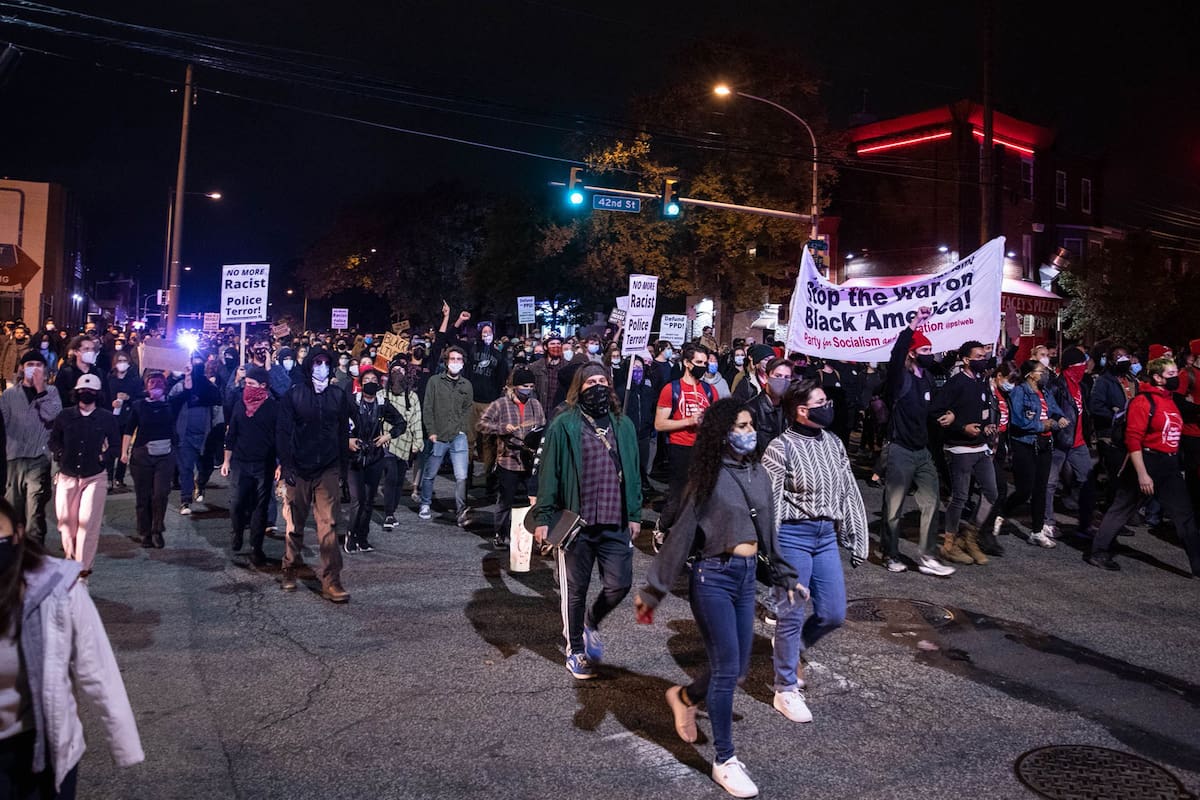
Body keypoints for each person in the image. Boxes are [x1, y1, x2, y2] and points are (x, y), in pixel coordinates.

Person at [635, 399, 802, 799]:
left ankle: (686, 696)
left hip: (746, 580)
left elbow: (769, 534)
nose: (748, 432)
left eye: (750, 424)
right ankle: (724, 760)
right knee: (728, 669)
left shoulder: (759, 474)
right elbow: (681, 536)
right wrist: (654, 589)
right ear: (721, 433)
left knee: (739, 670)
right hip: (713, 578)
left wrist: (785, 576)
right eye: (739, 425)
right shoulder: (707, 475)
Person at [0, 498, 144, 798]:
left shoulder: (56, 590)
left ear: (18, 534)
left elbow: (97, 667)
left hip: (43, 748)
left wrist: (124, 743)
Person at [760, 380, 867, 728]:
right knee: (791, 613)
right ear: (802, 410)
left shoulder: (834, 443)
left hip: (825, 536)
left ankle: (794, 649)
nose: (828, 406)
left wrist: (856, 534)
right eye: (821, 401)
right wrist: (773, 556)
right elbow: (770, 503)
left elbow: (847, 488)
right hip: (793, 535)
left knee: (834, 612)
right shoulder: (780, 448)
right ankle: (785, 687)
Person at [532, 363, 642, 680]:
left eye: (602, 380)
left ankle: (591, 620)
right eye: (590, 381)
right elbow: (549, 473)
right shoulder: (564, 423)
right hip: (576, 524)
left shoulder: (624, 425)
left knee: (620, 584)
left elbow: (633, 473)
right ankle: (575, 650)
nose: (597, 386)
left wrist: (634, 513)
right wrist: (543, 516)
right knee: (575, 591)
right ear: (578, 388)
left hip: (615, 520)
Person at [1087, 357, 1200, 575]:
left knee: (1185, 515)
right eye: (1171, 374)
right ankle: (1098, 551)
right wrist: (1142, 474)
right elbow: (1133, 439)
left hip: (1168, 464)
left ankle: (1197, 564)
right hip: (1146, 460)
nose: (1176, 378)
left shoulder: (1170, 400)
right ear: (1157, 377)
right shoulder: (1143, 401)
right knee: (1122, 508)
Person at [878, 307, 956, 576]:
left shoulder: (927, 379)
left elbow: (932, 408)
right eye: (924, 351)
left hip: (922, 452)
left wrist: (948, 415)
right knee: (894, 508)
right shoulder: (900, 379)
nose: (930, 356)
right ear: (912, 353)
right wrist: (913, 325)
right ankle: (890, 553)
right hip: (900, 450)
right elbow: (896, 353)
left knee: (931, 501)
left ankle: (927, 556)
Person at [277, 348, 351, 602]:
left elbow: (342, 433)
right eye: (317, 362)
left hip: (327, 468)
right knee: (295, 525)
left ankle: (332, 581)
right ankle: (289, 568)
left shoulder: (338, 396)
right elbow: (284, 433)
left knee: (329, 525)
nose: (321, 366)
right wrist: (286, 467)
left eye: (325, 363)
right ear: (309, 366)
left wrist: (342, 468)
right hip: (299, 469)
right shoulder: (294, 395)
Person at [929, 340, 1000, 566]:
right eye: (978, 356)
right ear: (966, 360)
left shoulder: (981, 382)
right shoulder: (956, 382)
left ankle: (969, 536)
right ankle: (949, 544)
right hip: (960, 448)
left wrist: (986, 425)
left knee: (991, 492)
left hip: (981, 447)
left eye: (984, 355)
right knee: (960, 496)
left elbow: (980, 410)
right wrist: (961, 426)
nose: (983, 359)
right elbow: (937, 411)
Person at [49, 374, 121, 578]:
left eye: (90, 391)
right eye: (82, 390)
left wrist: (103, 457)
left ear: (97, 395)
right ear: (76, 392)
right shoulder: (65, 416)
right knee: (66, 525)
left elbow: (115, 446)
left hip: (94, 476)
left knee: (88, 524)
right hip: (67, 475)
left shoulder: (106, 418)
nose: (86, 394)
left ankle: (83, 571)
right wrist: (60, 454)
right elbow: (54, 440)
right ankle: (71, 562)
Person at [996, 360, 1068, 547]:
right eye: (1041, 371)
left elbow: (1054, 409)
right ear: (1030, 374)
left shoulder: (1045, 392)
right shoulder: (1019, 392)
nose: (1045, 374)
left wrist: (1059, 418)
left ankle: (1036, 531)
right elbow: (1018, 420)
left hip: (1045, 443)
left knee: (1041, 489)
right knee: (1025, 489)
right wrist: (1041, 425)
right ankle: (1001, 512)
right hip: (1025, 445)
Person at [477, 368, 545, 550]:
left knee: (534, 500)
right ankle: (500, 533)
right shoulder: (501, 404)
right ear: (515, 387)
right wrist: (501, 427)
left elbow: (542, 427)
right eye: (524, 386)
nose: (528, 390)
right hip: (509, 459)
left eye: (531, 386)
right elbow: (481, 423)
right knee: (506, 500)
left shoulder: (535, 405)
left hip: (530, 460)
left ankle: (535, 535)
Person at [654, 344, 717, 537]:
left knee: (704, 495)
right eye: (698, 362)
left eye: (705, 363)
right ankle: (662, 528)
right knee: (679, 495)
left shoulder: (709, 390)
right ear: (687, 363)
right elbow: (659, 424)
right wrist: (688, 421)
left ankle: (692, 536)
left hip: (703, 448)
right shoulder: (671, 389)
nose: (703, 366)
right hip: (680, 447)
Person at [1, 350, 62, 544]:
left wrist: (40, 390)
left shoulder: (51, 392)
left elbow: (52, 415)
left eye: (38, 364)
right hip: (14, 458)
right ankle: (16, 552)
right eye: (29, 364)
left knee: (35, 509)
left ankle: (35, 554)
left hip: (39, 458)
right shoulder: (9, 394)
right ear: (21, 368)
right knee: (14, 509)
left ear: (44, 369)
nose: (34, 368)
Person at [122, 373, 187, 548]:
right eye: (152, 382)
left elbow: (187, 391)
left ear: (165, 386)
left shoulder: (171, 404)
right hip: (142, 455)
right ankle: (145, 533)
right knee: (143, 497)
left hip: (165, 455)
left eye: (159, 383)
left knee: (160, 494)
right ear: (146, 386)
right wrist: (124, 452)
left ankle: (157, 529)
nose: (155, 385)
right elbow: (129, 429)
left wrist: (189, 373)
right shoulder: (139, 406)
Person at [221, 365, 277, 566]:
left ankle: (256, 547)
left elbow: (278, 438)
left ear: (263, 386)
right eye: (246, 384)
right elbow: (231, 434)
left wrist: (279, 464)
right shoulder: (239, 405)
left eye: (252, 384)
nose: (248, 387)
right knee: (236, 503)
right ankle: (237, 532)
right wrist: (226, 460)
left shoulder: (272, 408)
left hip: (264, 464)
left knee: (259, 508)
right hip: (240, 463)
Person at [345, 368, 405, 553]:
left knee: (369, 500)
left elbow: (401, 423)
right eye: (366, 379)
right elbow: (337, 423)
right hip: (354, 457)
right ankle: (351, 535)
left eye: (373, 379)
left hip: (375, 455)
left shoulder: (382, 403)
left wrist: (388, 436)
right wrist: (346, 439)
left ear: (378, 384)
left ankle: (363, 538)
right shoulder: (352, 403)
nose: (370, 382)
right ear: (361, 384)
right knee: (358, 500)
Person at [1043, 347, 1098, 539]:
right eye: (1080, 365)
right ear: (1069, 367)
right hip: (1059, 442)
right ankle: (1047, 522)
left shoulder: (1082, 386)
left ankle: (1085, 524)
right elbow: (1049, 409)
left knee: (1087, 482)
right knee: (1050, 484)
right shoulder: (1056, 386)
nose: (1084, 368)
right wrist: (1057, 421)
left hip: (1078, 443)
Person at [418, 346, 474, 523]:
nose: (455, 362)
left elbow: (468, 408)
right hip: (438, 435)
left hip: (458, 435)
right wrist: (431, 431)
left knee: (461, 476)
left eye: (459, 359)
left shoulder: (466, 384)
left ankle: (460, 510)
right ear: (446, 362)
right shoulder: (434, 381)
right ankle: (425, 503)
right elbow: (427, 408)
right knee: (430, 473)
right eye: (452, 359)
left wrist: (463, 429)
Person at [170, 356, 223, 515]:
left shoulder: (210, 388)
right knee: (186, 468)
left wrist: (217, 433)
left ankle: (200, 485)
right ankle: (185, 500)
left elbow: (218, 410)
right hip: (185, 435)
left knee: (205, 467)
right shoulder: (180, 387)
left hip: (205, 436)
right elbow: (171, 402)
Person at [381, 363, 423, 531]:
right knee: (391, 477)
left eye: (401, 370)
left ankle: (393, 508)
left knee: (398, 479)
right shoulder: (382, 394)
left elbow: (416, 421)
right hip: (387, 443)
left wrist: (418, 442)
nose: (398, 373)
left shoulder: (412, 397)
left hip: (404, 445)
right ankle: (388, 513)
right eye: (395, 370)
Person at [106, 350, 144, 493]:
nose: (122, 364)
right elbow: (104, 397)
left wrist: (128, 398)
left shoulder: (134, 380)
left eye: (124, 361)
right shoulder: (109, 379)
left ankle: (119, 477)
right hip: (112, 417)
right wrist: (112, 403)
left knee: (124, 448)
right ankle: (109, 477)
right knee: (111, 448)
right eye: (119, 361)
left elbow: (139, 396)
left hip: (127, 417)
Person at [742, 357, 792, 453]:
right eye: (778, 376)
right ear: (766, 377)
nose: (782, 381)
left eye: (787, 377)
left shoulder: (789, 408)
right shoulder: (751, 409)